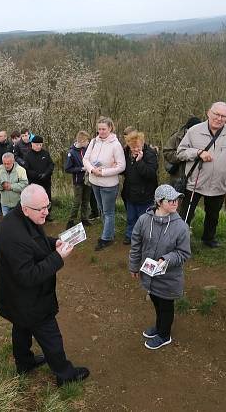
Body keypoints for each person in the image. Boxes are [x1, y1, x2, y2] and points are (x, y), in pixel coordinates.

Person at [0, 184, 90, 386]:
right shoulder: (14, 236)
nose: (46, 212)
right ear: (26, 208)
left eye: (48, 206)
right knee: (50, 336)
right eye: (42, 209)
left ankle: (24, 362)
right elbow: (28, 276)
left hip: (15, 298)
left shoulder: (22, 216)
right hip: (29, 300)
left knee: (20, 327)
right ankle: (65, 375)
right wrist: (57, 257)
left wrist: (53, 242)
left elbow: (35, 240)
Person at [128, 184, 191, 350]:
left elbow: (184, 253)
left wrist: (166, 258)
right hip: (149, 275)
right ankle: (159, 326)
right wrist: (134, 266)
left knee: (166, 306)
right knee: (156, 300)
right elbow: (136, 244)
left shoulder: (181, 227)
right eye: (170, 200)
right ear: (159, 202)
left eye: (176, 199)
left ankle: (164, 335)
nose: (175, 202)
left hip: (169, 278)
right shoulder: (143, 220)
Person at [176, 102, 226, 248]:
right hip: (195, 182)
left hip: (219, 183)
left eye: (223, 116)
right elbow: (180, 153)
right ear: (208, 113)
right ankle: (180, 241)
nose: (219, 118)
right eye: (216, 114)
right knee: (186, 214)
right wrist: (197, 153)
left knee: (213, 215)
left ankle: (209, 238)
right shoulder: (194, 131)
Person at [83, 116, 126, 250]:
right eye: (99, 129)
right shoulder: (94, 142)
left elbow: (121, 166)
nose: (101, 132)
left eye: (104, 129)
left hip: (109, 184)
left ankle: (106, 238)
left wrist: (103, 172)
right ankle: (109, 232)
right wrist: (92, 170)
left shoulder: (115, 145)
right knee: (102, 209)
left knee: (108, 212)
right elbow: (85, 159)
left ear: (110, 128)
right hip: (94, 182)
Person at [121, 131, 158, 245]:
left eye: (137, 146)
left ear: (142, 143)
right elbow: (124, 170)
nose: (135, 149)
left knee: (144, 219)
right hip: (130, 192)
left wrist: (139, 162)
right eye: (133, 147)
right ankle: (129, 235)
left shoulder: (150, 154)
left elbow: (150, 174)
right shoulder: (126, 152)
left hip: (145, 194)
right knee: (131, 217)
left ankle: (143, 238)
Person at [64, 130, 93, 228]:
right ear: (81, 141)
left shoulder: (86, 149)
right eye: (86, 141)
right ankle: (71, 221)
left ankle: (84, 219)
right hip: (78, 181)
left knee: (86, 200)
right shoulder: (71, 153)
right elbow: (67, 169)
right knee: (77, 202)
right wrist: (81, 169)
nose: (88, 143)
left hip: (88, 180)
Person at [163, 116, 201, 186]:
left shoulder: (202, 138)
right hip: (178, 176)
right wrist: (182, 155)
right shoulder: (177, 137)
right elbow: (167, 152)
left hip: (195, 178)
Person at [24, 135, 55, 205]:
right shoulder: (28, 155)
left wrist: (46, 174)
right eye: (37, 145)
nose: (38, 146)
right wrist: (37, 175)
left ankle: (47, 214)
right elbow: (26, 169)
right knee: (35, 202)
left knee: (47, 201)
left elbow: (51, 165)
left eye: (40, 145)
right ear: (32, 144)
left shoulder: (45, 153)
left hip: (46, 182)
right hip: (34, 183)